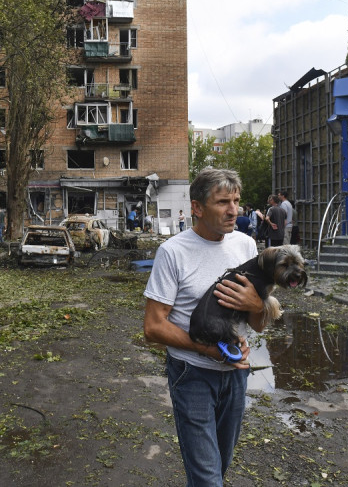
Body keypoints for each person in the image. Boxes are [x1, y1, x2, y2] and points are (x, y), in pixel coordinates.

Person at [143, 167, 264, 486]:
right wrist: (207, 350)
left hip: (236, 374)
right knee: (208, 479)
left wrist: (256, 305)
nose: (233, 210)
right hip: (192, 374)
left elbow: (259, 324)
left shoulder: (246, 246)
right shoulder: (173, 252)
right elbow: (153, 327)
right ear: (197, 207)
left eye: (236, 201)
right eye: (223, 202)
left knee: (218, 468)